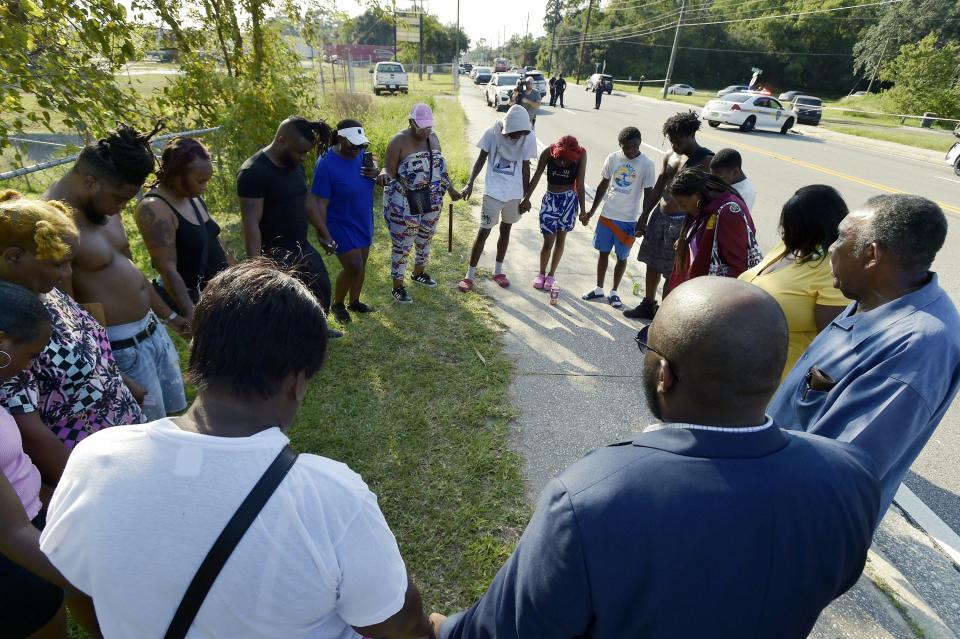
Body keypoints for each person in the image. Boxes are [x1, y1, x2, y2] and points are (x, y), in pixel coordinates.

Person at [431, 277, 879, 639]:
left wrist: (442, 628)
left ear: (664, 374)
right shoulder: (850, 476)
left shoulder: (592, 498)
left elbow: (506, 631)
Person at [39, 260, 435, 639]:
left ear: (195, 353)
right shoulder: (332, 497)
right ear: (298, 383)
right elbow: (402, 626)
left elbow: (73, 584)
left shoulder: (96, 457)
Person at [769, 194, 960, 519]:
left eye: (842, 239)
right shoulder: (872, 298)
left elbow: (836, 470)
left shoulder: (915, 348)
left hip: (792, 524)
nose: (831, 248)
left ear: (871, 255)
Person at [44, 124, 189, 421]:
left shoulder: (103, 206)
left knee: (174, 421)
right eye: (120, 198)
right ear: (89, 182)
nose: (121, 207)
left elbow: (128, 267)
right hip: (120, 352)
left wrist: (170, 317)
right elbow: (69, 318)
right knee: (145, 438)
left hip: (151, 333)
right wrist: (114, 374)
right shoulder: (53, 226)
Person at [0, 192, 143, 451]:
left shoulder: (45, 291)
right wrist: (80, 484)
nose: (68, 273)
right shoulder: (11, 326)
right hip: (88, 457)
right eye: (59, 264)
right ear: (14, 257)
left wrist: (122, 382)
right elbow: (30, 432)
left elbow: (86, 346)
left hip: (123, 436)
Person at [0, 281, 99, 639]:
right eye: (30, 355)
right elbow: (9, 532)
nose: (31, 368)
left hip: (35, 528)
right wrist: (99, 581)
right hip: (17, 560)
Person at [237, 116, 343, 339]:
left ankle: (317, 330)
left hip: (299, 244)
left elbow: (307, 203)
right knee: (285, 303)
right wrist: (256, 267)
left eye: (306, 153)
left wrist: (324, 234)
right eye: (300, 152)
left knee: (321, 287)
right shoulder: (253, 172)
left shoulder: (294, 164)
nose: (303, 157)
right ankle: (292, 343)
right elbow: (251, 224)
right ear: (282, 140)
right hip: (273, 251)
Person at [739, 185, 850, 379]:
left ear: (815, 227)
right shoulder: (788, 247)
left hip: (780, 382)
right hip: (744, 368)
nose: (785, 231)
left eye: (793, 225)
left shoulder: (830, 270)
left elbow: (830, 343)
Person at [625, 111, 714, 320]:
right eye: (672, 140)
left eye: (678, 141)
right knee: (652, 263)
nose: (674, 145)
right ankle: (648, 304)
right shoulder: (670, 155)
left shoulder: (706, 161)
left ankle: (665, 315)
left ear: (691, 135)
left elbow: (709, 198)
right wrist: (644, 215)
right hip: (660, 217)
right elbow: (658, 187)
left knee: (673, 271)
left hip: (683, 222)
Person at [135, 137, 236, 320]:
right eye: (199, 181)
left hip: (221, 294)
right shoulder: (154, 208)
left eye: (207, 180)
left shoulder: (193, 196)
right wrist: (192, 316)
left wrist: (241, 275)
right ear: (176, 174)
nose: (204, 187)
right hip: (197, 302)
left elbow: (213, 239)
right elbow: (167, 270)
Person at [379, 104, 461, 304]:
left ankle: (418, 273)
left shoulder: (433, 138)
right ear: (410, 122)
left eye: (429, 126)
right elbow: (389, 170)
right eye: (422, 126)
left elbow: (440, 169)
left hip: (431, 199)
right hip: (404, 202)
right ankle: (397, 287)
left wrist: (450, 189)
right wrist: (383, 175)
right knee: (403, 244)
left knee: (425, 238)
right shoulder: (398, 141)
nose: (426, 130)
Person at [458, 105, 537, 292]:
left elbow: (526, 167)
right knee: (483, 232)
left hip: (514, 194)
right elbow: (481, 159)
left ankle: (498, 271)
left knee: (506, 230)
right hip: (493, 192)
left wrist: (526, 197)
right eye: (514, 133)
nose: (517, 137)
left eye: (521, 134)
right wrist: (469, 183)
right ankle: (469, 276)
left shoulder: (528, 137)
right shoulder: (491, 134)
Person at [309, 119, 379, 321]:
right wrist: (324, 234)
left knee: (361, 266)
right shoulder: (326, 164)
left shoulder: (362, 156)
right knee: (354, 267)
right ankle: (338, 304)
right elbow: (318, 203)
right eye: (353, 144)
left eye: (361, 144)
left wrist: (377, 174)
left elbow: (376, 176)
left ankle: (354, 302)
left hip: (363, 219)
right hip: (339, 223)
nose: (358, 148)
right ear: (340, 138)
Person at [580, 127, 656, 309]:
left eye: (634, 146)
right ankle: (599, 288)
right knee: (603, 253)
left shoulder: (647, 164)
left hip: (628, 219)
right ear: (620, 145)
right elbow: (603, 185)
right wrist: (591, 212)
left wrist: (643, 220)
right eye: (626, 147)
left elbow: (649, 193)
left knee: (622, 257)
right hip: (607, 215)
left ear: (640, 143)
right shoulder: (613, 158)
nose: (630, 151)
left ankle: (614, 292)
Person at [668, 168, 762, 289]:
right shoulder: (704, 207)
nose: (681, 209)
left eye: (683, 204)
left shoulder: (728, 212)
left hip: (715, 294)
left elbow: (737, 268)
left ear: (697, 195)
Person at [521, 135, 587, 292]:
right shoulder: (548, 153)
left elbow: (581, 185)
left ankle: (551, 275)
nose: (564, 161)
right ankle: (541, 273)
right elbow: (537, 176)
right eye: (562, 157)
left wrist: (583, 212)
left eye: (568, 158)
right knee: (548, 241)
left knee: (561, 239)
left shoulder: (581, 154)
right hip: (550, 201)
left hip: (569, 201)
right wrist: (526, 199)